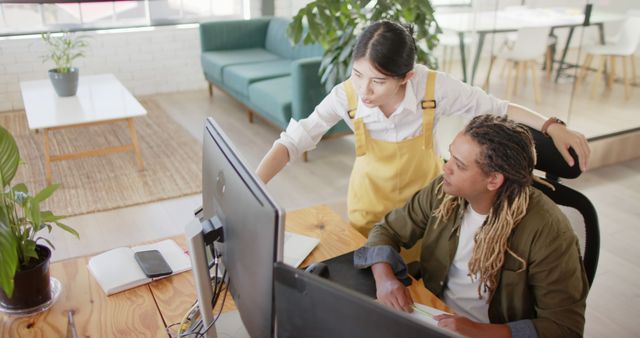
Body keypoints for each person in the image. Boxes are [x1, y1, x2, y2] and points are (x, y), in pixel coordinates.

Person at [256, 20, 590, 238]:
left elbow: (497, 107)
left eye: (378, 81)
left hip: (426, 209)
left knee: (423, 286)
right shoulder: (346, 96)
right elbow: (293, 140)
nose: (364, 91)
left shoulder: (434, 88)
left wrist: (551, 125)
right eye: (357, 75)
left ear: (406, 77)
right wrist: (254, 186)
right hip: (367, 210)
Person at [354, 114, 588, 338]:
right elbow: (387, 230)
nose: (446, 168)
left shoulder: (548, 231)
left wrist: (477, 332)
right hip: (433, 312)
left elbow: (564, 328)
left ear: (494, 180)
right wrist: (384, 279)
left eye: (460, 165)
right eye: (451, 156)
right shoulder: (444, 191)